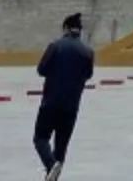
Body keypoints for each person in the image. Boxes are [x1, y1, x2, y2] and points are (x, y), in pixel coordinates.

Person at [33, 11, 94, 180]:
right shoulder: (88, 52)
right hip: (71, 106)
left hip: (50, 102)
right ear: (79, 30)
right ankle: (52, 175)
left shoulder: (55, 46)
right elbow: (88, 75)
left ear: (65, 28)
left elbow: (41, 70)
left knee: (40, 138)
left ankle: (50, 165)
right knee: (61, 147)